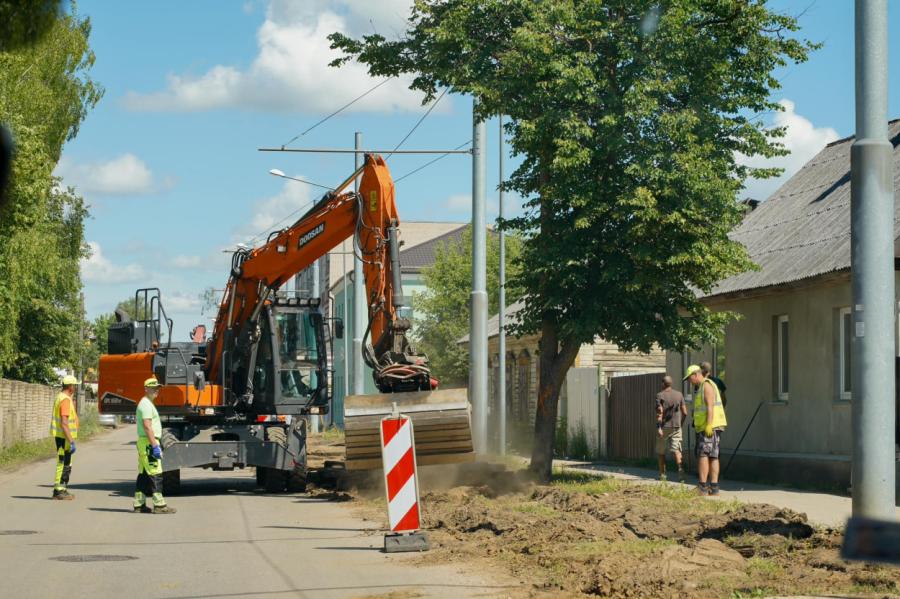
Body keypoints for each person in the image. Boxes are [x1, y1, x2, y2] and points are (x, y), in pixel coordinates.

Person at [133, 377, 176, 514]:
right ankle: (159, 505)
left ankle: (139, 504)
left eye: (157, 388)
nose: (156, 390)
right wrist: (155, 446)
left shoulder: (147, 403)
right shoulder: (146, 404)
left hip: (145, 442)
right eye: (153, 388)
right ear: (146, 389)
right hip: (148, 443)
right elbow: (147, 426)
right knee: (156, 473)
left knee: (144, 474)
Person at [684, 364, 728, 496]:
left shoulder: (706, 385)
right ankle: (714, 487)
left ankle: (702, 486)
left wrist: (708, 424)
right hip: (709, 426)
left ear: (696, 374)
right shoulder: (701, 387)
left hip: (709, 427)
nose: (689, 382)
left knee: (704, 454)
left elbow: (710, 406)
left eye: (689, 378)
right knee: (713, 455)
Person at [50, 375, 80, 500]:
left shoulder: (61, 397)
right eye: (75, 385)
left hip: (62, 437)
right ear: (70, 386)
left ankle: (61, 489)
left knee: (65, 462)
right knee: (63, 463)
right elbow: (64, 423)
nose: (76, 388)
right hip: (64, 438)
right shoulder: (65, 400)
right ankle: (59, 491)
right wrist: (71, 441)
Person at [655, 375, 687, 482]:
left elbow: (659, 413)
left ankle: (662, 475)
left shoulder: (660, 395)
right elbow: (685, 412)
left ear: (663, 384)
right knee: (677, 450)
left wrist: (659, 427)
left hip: (664, 427)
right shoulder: (679, 395)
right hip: (676, 426)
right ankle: (681, 471)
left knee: (661, 452)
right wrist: (680, 424)